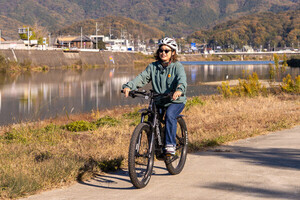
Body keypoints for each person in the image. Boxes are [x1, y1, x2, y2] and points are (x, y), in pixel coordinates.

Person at [122, 37, 187, 156]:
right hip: (159, 100)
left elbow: (181, 80)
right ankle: (154, 147)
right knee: (151, 119)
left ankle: (170, 145)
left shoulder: (177, 66)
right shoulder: (153, 66)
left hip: (175, 100)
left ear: (173, 53)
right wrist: (129, 86)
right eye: (161, 50)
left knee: (170, 115)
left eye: (166, 51)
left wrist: (179, 90)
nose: (163, 53)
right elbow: (141, 78)